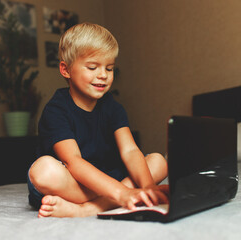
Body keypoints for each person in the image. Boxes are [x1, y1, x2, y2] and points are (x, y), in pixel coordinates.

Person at [27, 22, 169, 218]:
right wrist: (122, 192)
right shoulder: (56, 109)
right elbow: (74, 162)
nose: (103, 75)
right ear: (66, 70)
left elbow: (130, 150)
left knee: (158, 161)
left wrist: (148, 187)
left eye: (109, 68)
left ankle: (86, 209)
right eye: (93, 67)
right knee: (44, 170)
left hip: (106, 177)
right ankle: (114, 197)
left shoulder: (113, 107)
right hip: (72, 181)